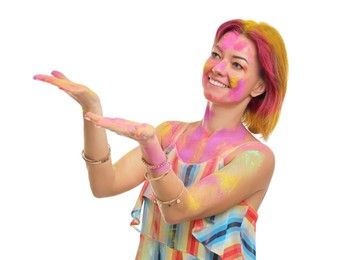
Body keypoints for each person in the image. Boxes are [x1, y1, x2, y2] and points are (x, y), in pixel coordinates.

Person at [33, 18, 288, 259]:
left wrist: (150, 146)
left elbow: (179, 209)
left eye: (237, 64)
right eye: (216, 54)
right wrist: (91, 110)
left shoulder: (255, 158)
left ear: (259, 87)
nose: (218, 68)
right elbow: (104, 185)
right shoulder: (170, 134)